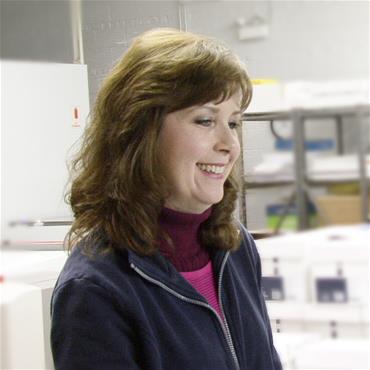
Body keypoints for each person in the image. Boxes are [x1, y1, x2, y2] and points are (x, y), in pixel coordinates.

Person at [50, 28, 282, 370]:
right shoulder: (95, 290)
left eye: (233, 123)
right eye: (205, 120)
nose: (230, 145)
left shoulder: (234, 246)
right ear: (141, 132)